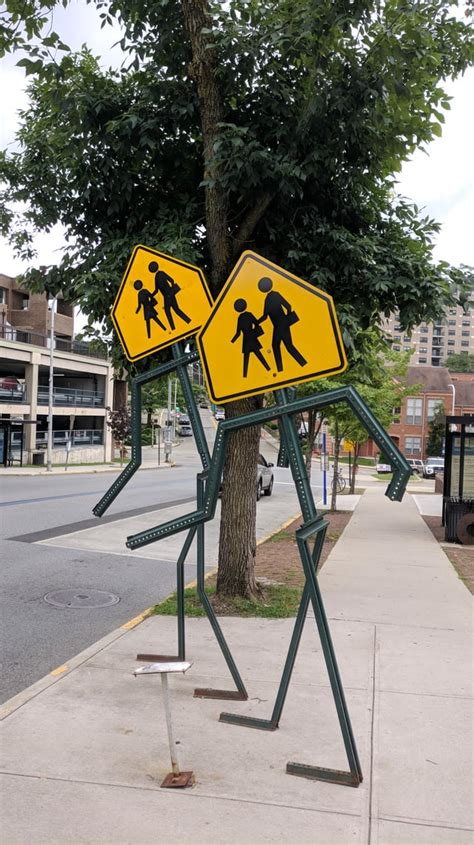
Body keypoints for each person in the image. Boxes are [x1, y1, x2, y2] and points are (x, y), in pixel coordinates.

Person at [257, 277, 307, 372]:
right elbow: (288, 306)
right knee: (287, 346)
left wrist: (256, 322)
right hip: (283, 324)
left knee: (278, 346)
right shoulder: (276, 295)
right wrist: (287, 319)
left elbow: (265, 316)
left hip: (279, 326)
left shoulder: (268, 299)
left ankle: (281, 370)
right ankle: (302, 364)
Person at [231, 298, 271, 378]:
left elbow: (238, 332)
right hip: (252, 337)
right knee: (258, 354)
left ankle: (245, 375)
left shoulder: (240, 318)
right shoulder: (249, 314)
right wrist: (254, 330)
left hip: (246, 340)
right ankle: (268, 369)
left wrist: (232, 341)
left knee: (247, 357)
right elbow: (256, 323)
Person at [148, 261, 191, 332]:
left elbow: (157, 290)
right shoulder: (160, 274)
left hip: (167, 296)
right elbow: (171, 280)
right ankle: (187, 321)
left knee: (168, 311)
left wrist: (151, 296)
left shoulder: (157, 277)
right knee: (176, 310)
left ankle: (174, 328)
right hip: (170, 294)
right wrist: (171, 289)